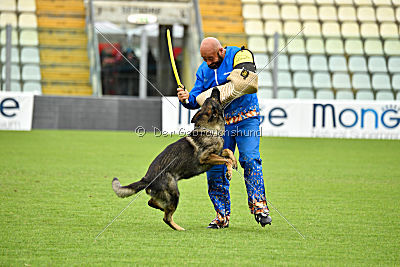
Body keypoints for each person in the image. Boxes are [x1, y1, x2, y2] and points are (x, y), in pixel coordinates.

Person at [177, 37, 272, 229]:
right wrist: (187, 98)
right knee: (214, 168)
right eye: (205, 59)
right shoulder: (204, 70)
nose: (208, 63)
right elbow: (196, 98)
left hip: (247, 118)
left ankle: (259, 206)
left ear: (221, 51)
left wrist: (213, 93)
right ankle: (222, 216)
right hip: (219, 127)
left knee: (249, 159)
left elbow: (247, 81)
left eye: (211, 58)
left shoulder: (238, 55)